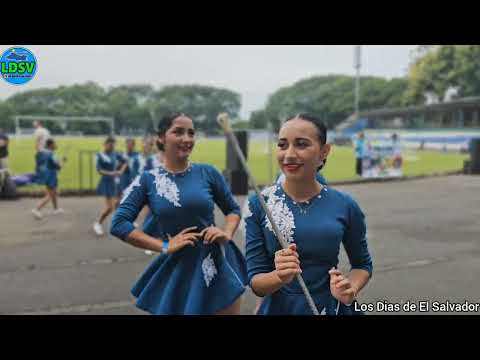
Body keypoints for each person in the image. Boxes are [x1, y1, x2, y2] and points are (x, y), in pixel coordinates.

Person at [110, 113, 247, 315]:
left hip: (217, 267)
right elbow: (119, 224)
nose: (187, 139)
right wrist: (164, 245)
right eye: (178, 132)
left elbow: (233, 210)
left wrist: (226, 232)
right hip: (178, 270)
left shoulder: (208, 172)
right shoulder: (147, 180)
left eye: (191, 133)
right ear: (161, 138)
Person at [245, 114, 373, 315]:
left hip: (333, 308)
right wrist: (278, 276)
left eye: (301, 144)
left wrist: (349, 288)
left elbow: (362, 264)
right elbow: (256, 281)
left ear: (324, 151)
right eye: (282, 145)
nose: (289, 154)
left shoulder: (345, 205)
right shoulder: (259, 204)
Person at [92, 136, 127, 236]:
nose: (112, 146)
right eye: (110, 144)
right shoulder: (100, 155)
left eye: (113, 145)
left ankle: (119, 223)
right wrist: (112, 173)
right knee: (110, 207)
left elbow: (125, 161)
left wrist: (121, 171)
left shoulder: (115, 153)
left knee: (119, 202)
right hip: (107, 182)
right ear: (105, 144)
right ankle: (98, 224)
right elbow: (99, 170)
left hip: (115, 181)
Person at [31, 138, 65, 219]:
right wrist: (63, 161)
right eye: (55, 143)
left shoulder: (43, 153)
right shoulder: (52, 154)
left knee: (53, 192)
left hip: (45, 175)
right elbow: (58, 166)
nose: (56, 145)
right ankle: (36, 209)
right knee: (51, 194)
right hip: (51, 176)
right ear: (51, 145)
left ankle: (56, 209)